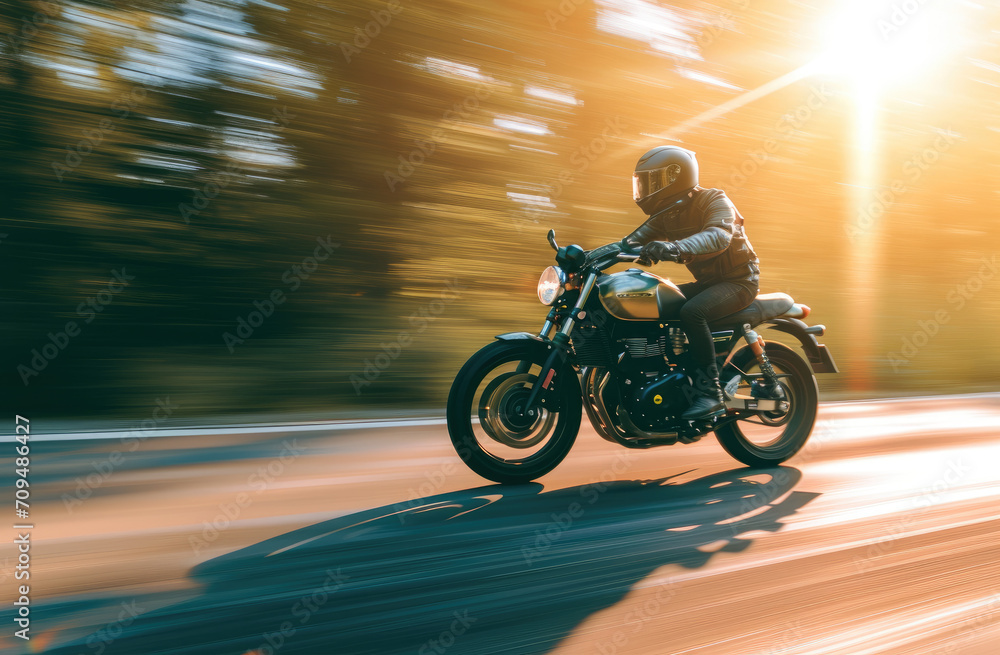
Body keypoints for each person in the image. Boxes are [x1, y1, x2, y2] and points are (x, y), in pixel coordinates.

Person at [599, 145, 761, 420]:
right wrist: (582, 256)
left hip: (740, 281)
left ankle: (710, 394)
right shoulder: (668, 214)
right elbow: (626, 244)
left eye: (652, 181)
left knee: (691, 312)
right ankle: (673, 376)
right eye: (642, 182)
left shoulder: (714, 199)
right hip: (709, 283)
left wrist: (673, 247)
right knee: (655, 302)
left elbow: (719, 235)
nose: (645, 189)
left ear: (675, 177)